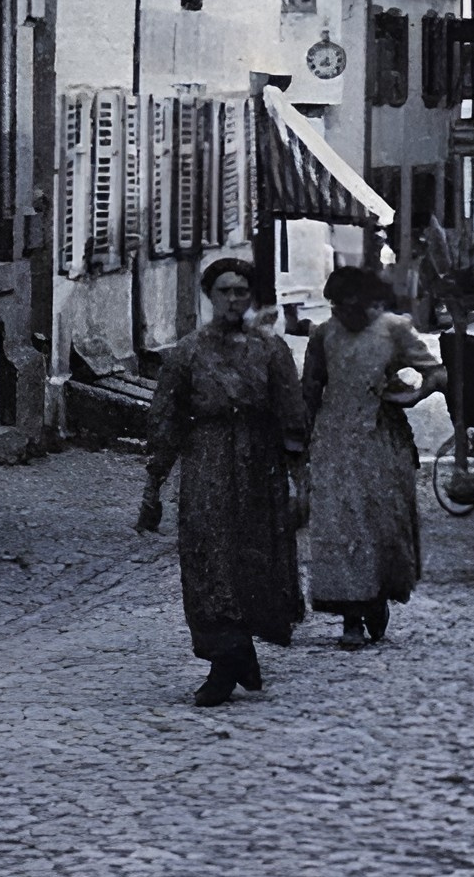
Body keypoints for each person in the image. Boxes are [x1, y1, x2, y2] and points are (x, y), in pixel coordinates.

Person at [139, 256, 309, 705]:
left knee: (252, 559)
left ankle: (238, 651)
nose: (234, 299)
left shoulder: (271, 351)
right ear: (209, 295)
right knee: (209, 557)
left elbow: (293, 416)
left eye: (241, 291)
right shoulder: (188, 352)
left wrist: (298, 479)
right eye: (225, 291)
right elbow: (166, 417)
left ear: (251, 297)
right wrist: (154, 482)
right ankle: (226, 658)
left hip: (260, 466)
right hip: (208, 463)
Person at [300, 264, 446, 648]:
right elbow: (310, 390)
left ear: (369, 304)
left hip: (381, 439)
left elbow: (436, 373)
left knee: (379, 524)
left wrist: (410, 396)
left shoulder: (393, 329)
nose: (345, 313)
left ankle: (376, 598)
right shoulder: (324, 334)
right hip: (335, 439)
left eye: (353, 306)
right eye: (337, 307)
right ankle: (350, 617)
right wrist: (301, 443)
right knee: (340, 526)